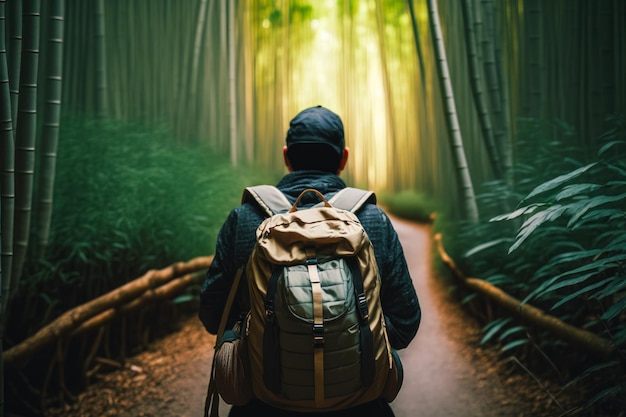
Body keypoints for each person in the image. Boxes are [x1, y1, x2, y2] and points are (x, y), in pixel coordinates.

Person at [199, 105, 421, 417]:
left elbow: (213, 314)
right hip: (361, 405)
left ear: (286, 156)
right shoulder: (372, 220)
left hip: (264, 406)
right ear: (343, 158)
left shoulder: (245, 219)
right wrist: (356, 340)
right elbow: (406, 320)